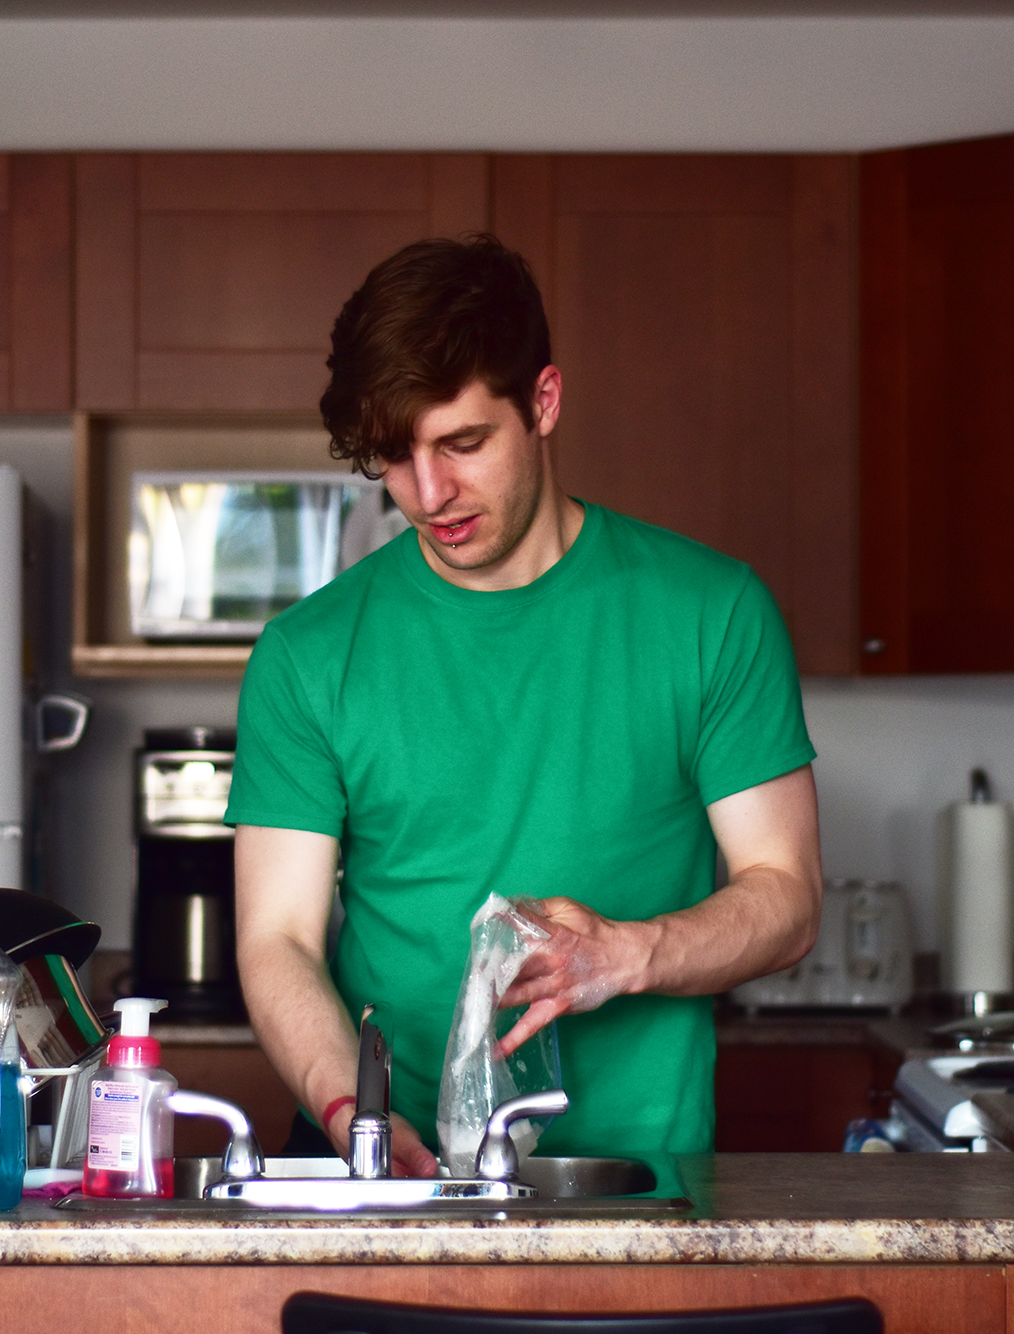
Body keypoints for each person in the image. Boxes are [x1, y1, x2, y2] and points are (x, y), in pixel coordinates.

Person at [225, 235, 822, 1177]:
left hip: (638, 1181)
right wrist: (357, 1122)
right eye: (396, 456)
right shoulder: (309, 656)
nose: (428, 494)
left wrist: (628, 954)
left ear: (543, 401)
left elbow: (787, 898)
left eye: (463, 443)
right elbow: (279, 939)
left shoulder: (710, 613)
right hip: (379, 1180)